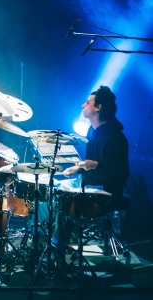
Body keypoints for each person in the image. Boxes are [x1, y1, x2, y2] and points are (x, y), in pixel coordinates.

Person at [52, 85, 130, 252]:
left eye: (87, 102)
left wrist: (95, 165)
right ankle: (53, 243)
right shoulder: (91, 131)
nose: (83, 105)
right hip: (88, 182)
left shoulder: (116, 137)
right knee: (55, 188)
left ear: (98, 107)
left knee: (65, 200)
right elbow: (90, 163)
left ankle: (57, 250)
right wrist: (79, 168)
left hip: (106, 189)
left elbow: (122, 173)